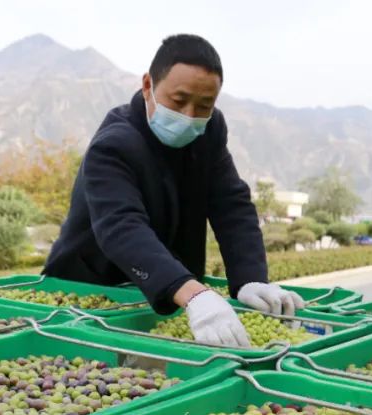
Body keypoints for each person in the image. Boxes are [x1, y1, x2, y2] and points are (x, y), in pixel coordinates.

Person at [42, 34, 303, 347]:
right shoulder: (113, 144)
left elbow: (231, 204)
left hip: (170, 293)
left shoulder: (210, 130)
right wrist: (194, 295)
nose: (189, 117)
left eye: (204, 105)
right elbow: (122, 228)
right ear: (148, 85)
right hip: (91, 290)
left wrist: (250, 279)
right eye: (178, 102)